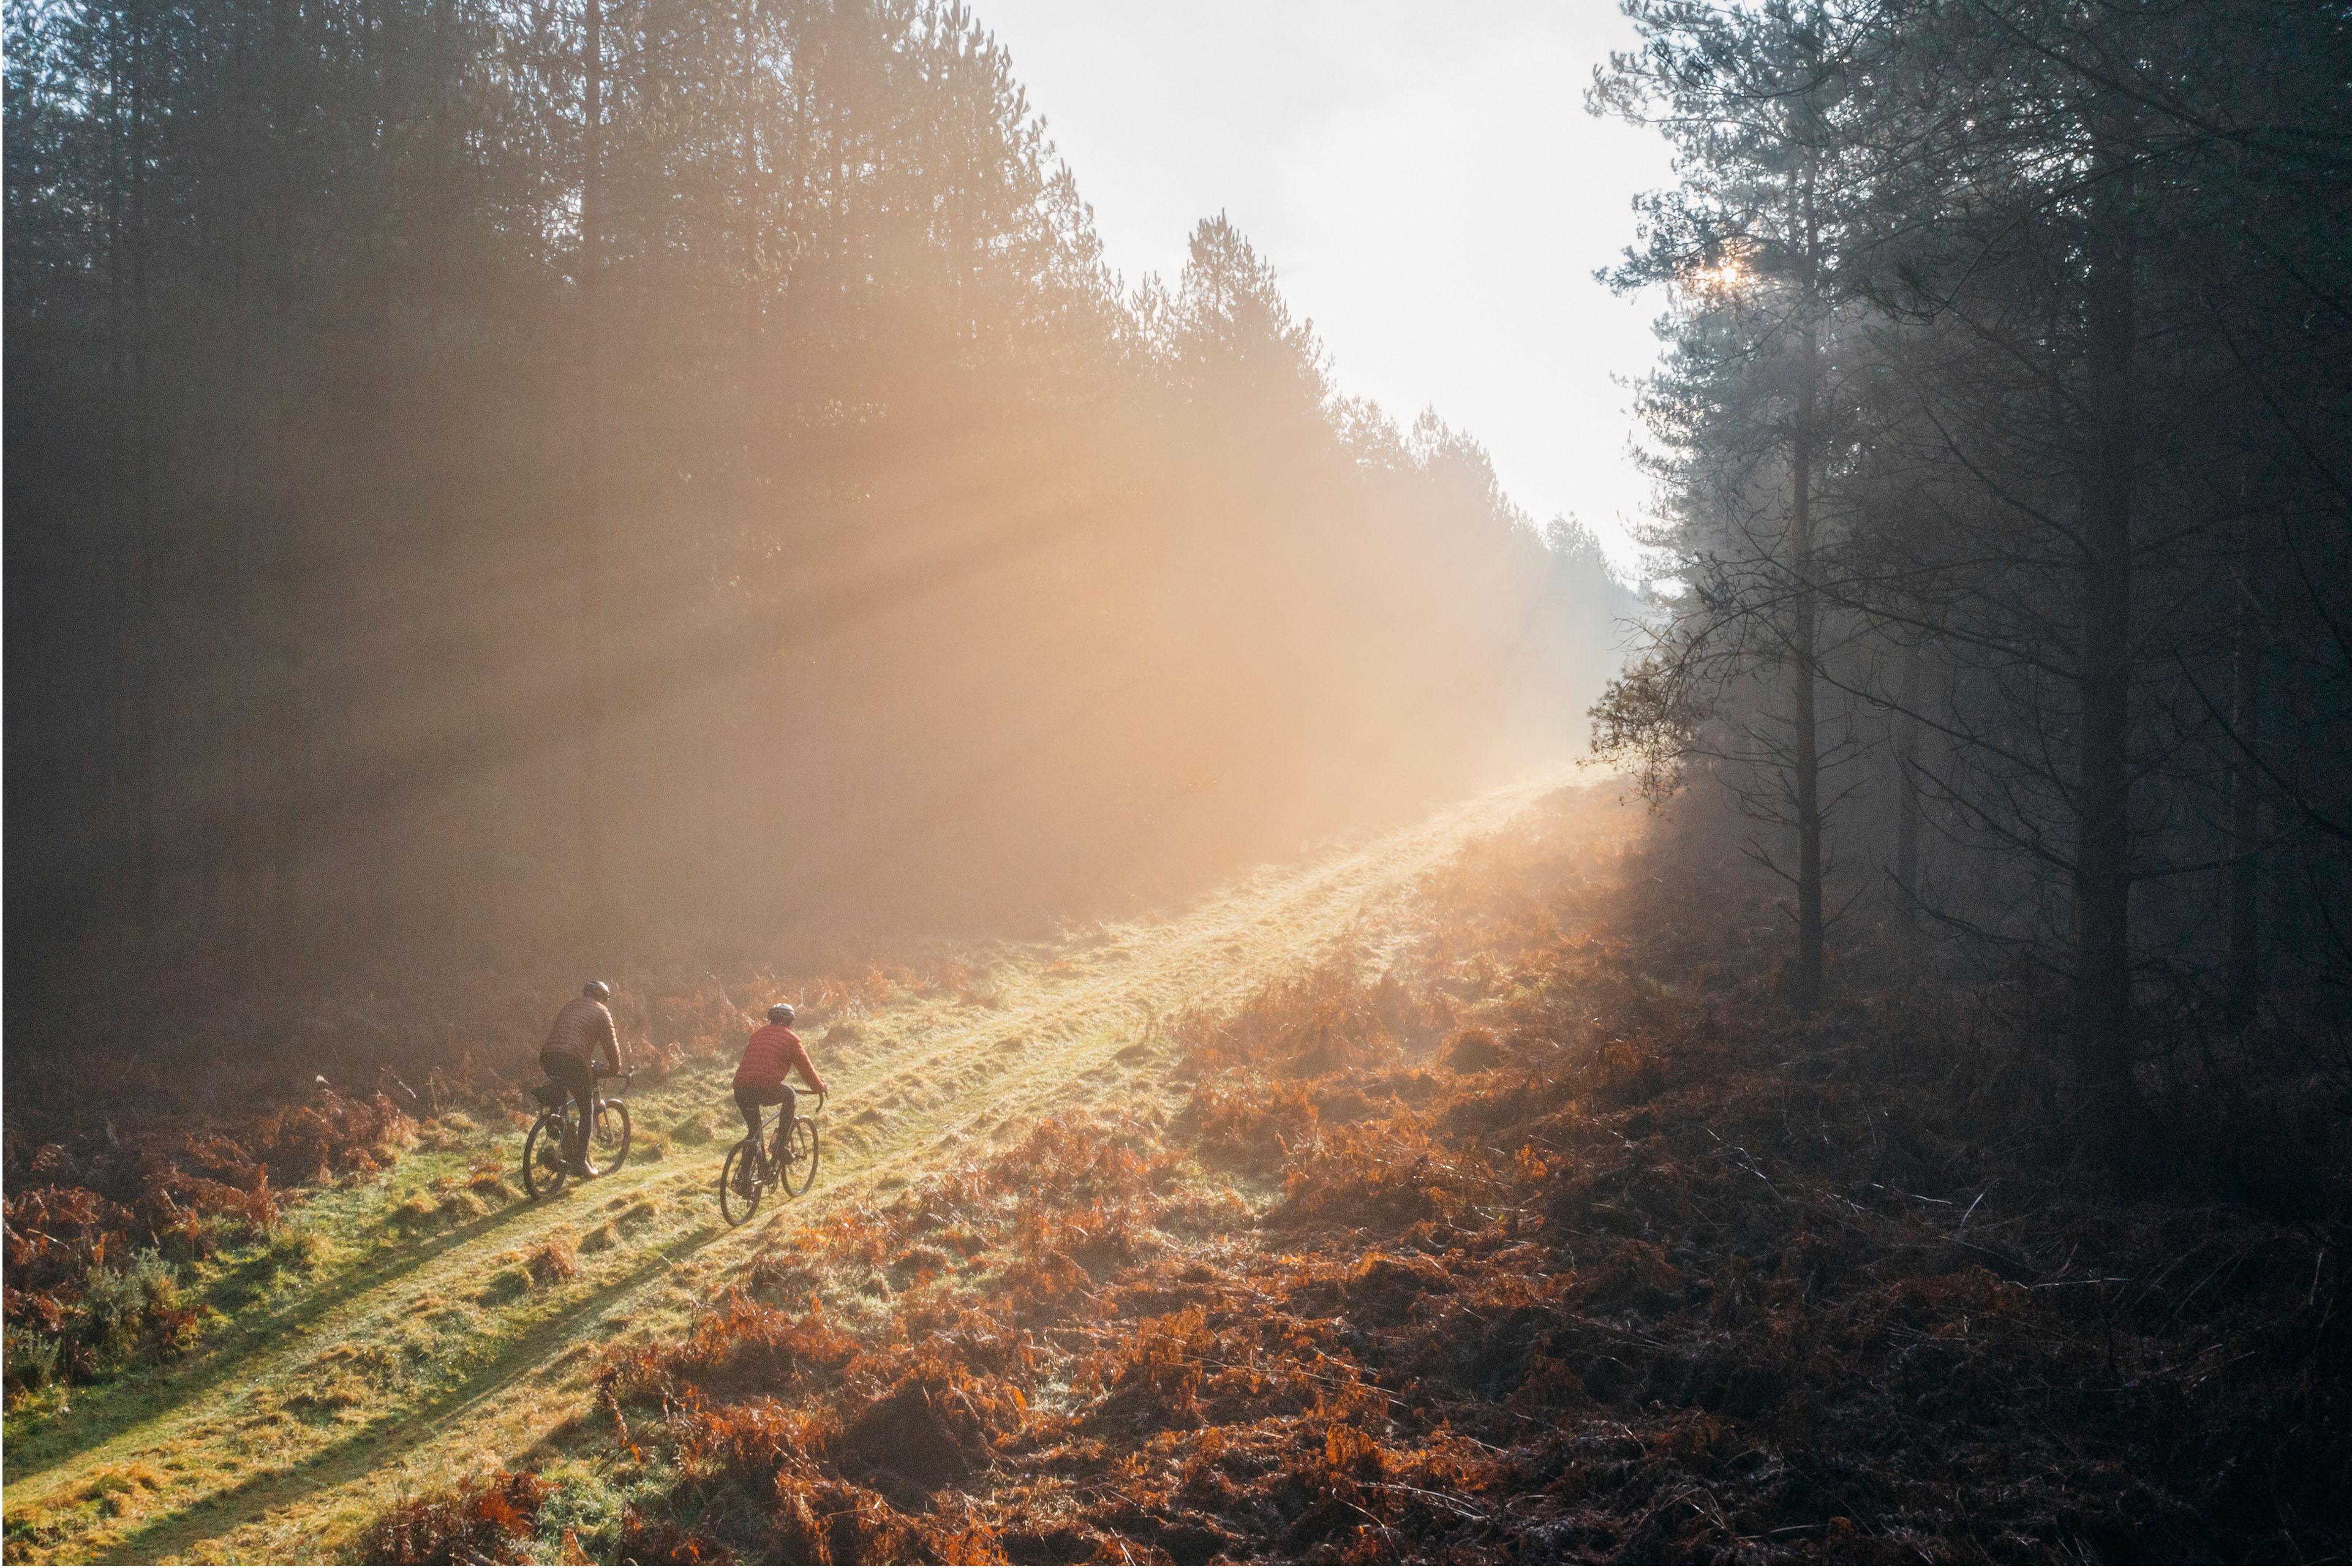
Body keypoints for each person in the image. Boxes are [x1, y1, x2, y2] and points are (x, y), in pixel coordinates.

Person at [733, 1003, 826, 1191]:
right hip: (765, 1086)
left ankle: (744, 1178)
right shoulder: (791, 1039)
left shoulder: (758, 1034)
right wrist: (819, 1087)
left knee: (754, 1132)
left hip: (741, 1088)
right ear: (790, 1021)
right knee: (789, 1094)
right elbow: (806, 1068)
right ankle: (779, 1146)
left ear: (771, 1020)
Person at [542, 980, 625, 1178]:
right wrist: (613, 1070)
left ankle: (556, 1128)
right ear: (603, 998)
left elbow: (566, 1035)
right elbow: (611, 1050)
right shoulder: (602, 1012)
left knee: (560, 1096)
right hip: (574, 1058)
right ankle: (580, 1165)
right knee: (586, 1109)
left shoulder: (570, 1005)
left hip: (549, 1055)